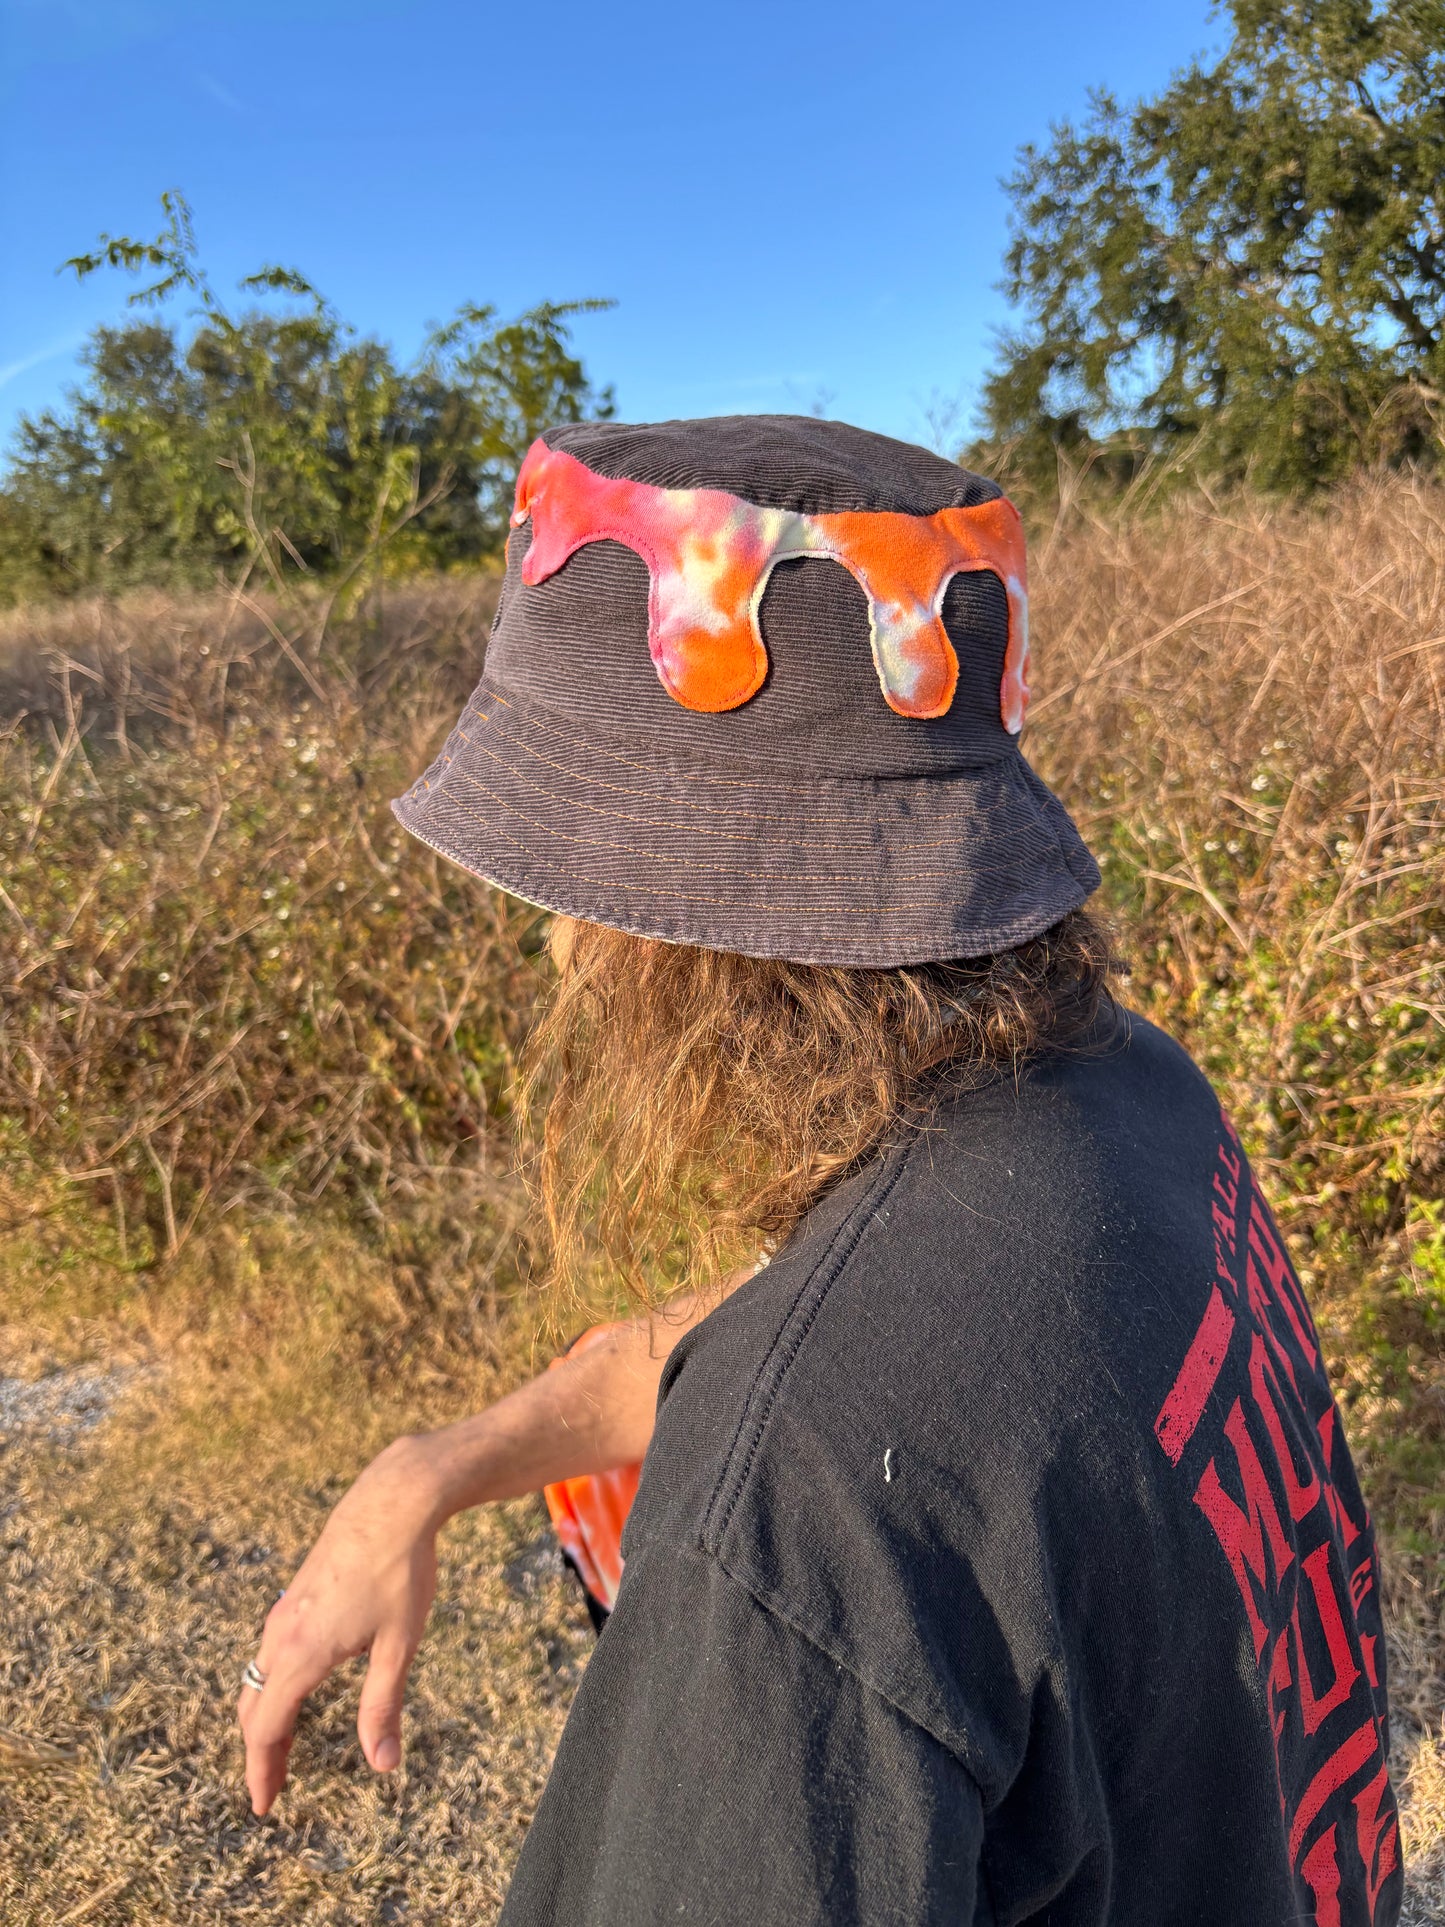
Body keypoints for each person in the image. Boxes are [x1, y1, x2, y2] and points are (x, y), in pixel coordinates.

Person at [236, 416, 1401, 1925]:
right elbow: (823, 1330)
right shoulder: (1124, 1098)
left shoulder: (794, 1504)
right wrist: (435, 1468)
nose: (550, 942)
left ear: (675, 916)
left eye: (559, 876)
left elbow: (829, 1379)